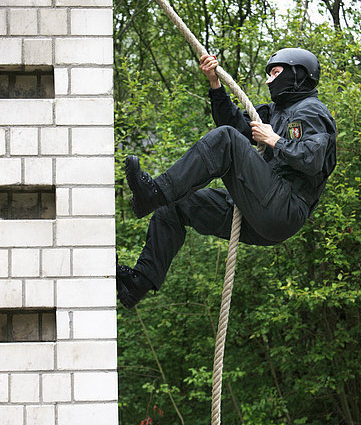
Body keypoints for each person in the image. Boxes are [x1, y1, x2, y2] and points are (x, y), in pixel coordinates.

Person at [116, 47, 337, 308]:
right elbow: (234, 126)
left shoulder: (311, 111)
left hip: (285, 208)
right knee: (173, 206)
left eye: (275, 73)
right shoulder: (274, 111)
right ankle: (138, 283)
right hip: (259, 212)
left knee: (226, 140)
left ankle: (153, 193)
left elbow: (313, 160)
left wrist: (274, 140)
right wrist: (214, 83)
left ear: (298, 74)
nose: (268, 80)